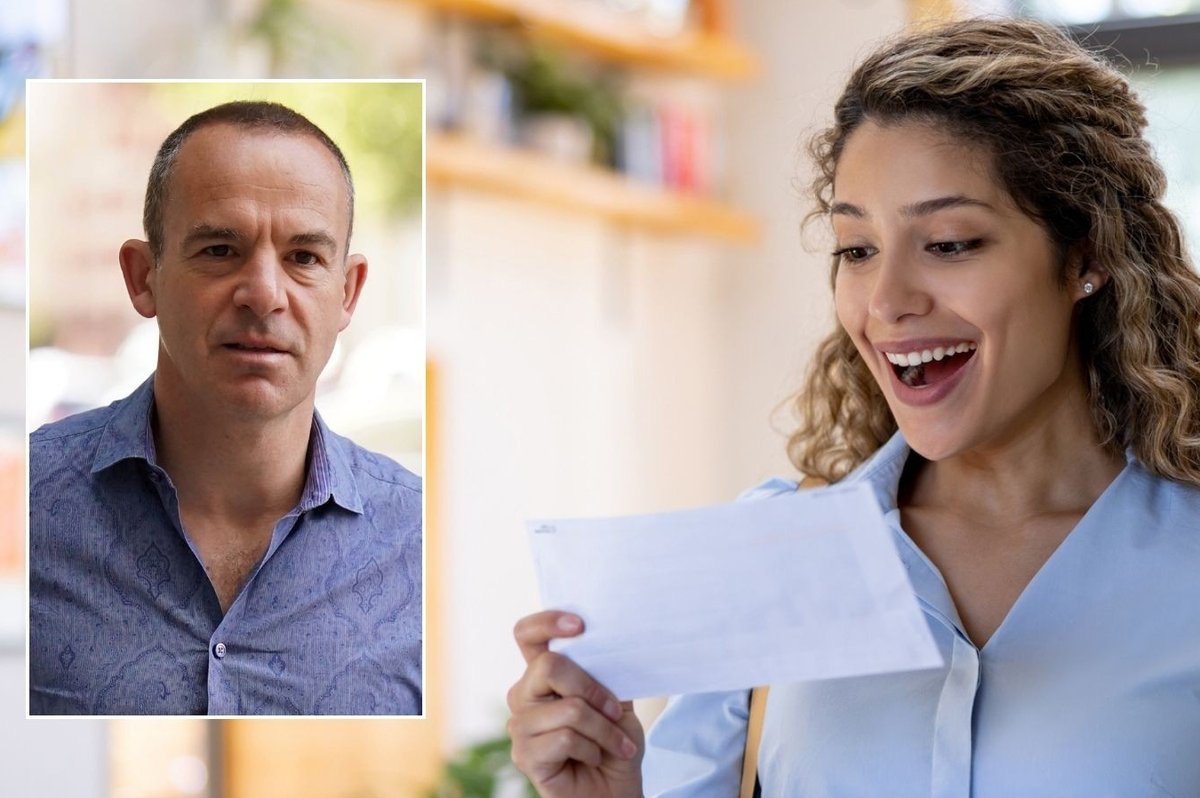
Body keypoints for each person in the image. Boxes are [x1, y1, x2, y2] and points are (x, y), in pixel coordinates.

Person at [507, 16, 1200, 796]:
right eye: (857, 251)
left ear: (1085, 256)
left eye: (950, 243)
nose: (887, 302)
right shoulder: (768, 558)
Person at [29, 100, 423, 715]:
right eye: (219, 249)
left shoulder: (422, 544)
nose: (264, 294)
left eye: (304, 258)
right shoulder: (27, 508)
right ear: (143, 277)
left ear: (347, 293)